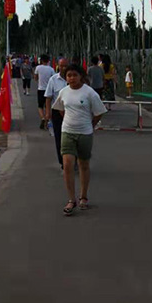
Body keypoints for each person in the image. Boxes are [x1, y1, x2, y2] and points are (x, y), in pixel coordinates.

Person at [52, 64, 107, 215]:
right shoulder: (63, 92)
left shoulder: (89, 93)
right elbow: (61, 109)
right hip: (67, 132)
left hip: (85, 133)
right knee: (67, 165)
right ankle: (71, 200)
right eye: (69, 75)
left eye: (75, 75)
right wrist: (69, 121)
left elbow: (99, 112)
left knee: (83, 164)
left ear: (81, 76)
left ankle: (83, 196)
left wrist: (90, 125)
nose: (72, 78)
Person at [44, 58, 69, 170]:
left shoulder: (73, 79)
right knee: (59, 137)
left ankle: (72, 159)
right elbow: (48, 97)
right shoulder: (53, 80)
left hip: (71, 111)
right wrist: (47, 113)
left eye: (65, 66)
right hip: (57, 112)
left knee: (71, 136)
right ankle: (62, 161)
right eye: (61, 66)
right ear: (58, 66)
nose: (63, 68)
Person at [34, 54, 55, 129]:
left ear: (41, 60)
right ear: (48, 61)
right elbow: (54, 79)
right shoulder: (51, 69)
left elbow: (35, 78)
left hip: (40, 89)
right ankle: (47, 120)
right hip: (49, 90)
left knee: (40, 106)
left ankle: (43, 118)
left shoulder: (38, 68)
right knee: (48, 106)